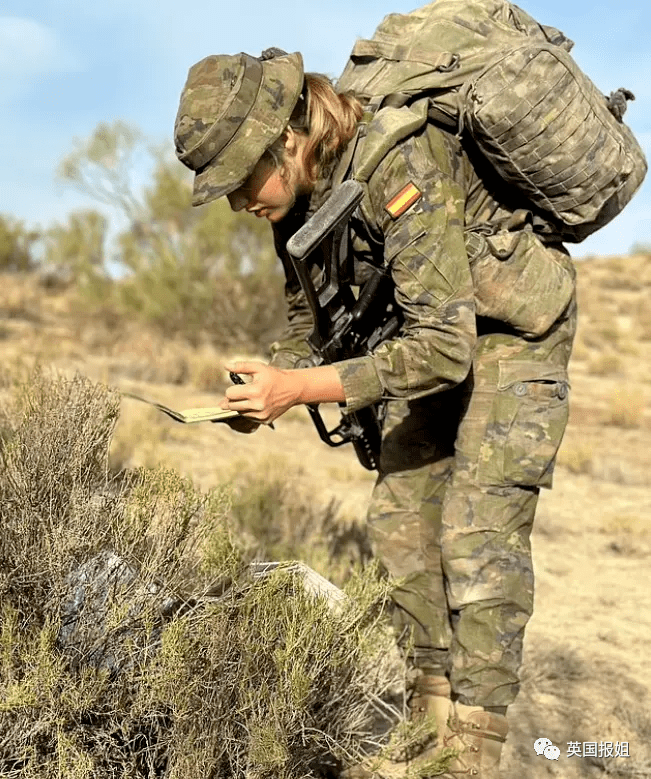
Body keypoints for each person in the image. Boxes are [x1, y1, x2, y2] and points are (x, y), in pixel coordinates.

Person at [174, 47, 576, 779]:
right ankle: (429, 736)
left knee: (474, 534)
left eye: (240, 179)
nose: (237, 201)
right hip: (421, 337)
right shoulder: (295, 201)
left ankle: (472, 756)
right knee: (398, 524)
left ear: (286, 140)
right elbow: (310, 320)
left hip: (510, 333)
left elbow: (445, 349)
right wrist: (269, 378)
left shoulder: (398, 161)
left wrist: (301, 389)